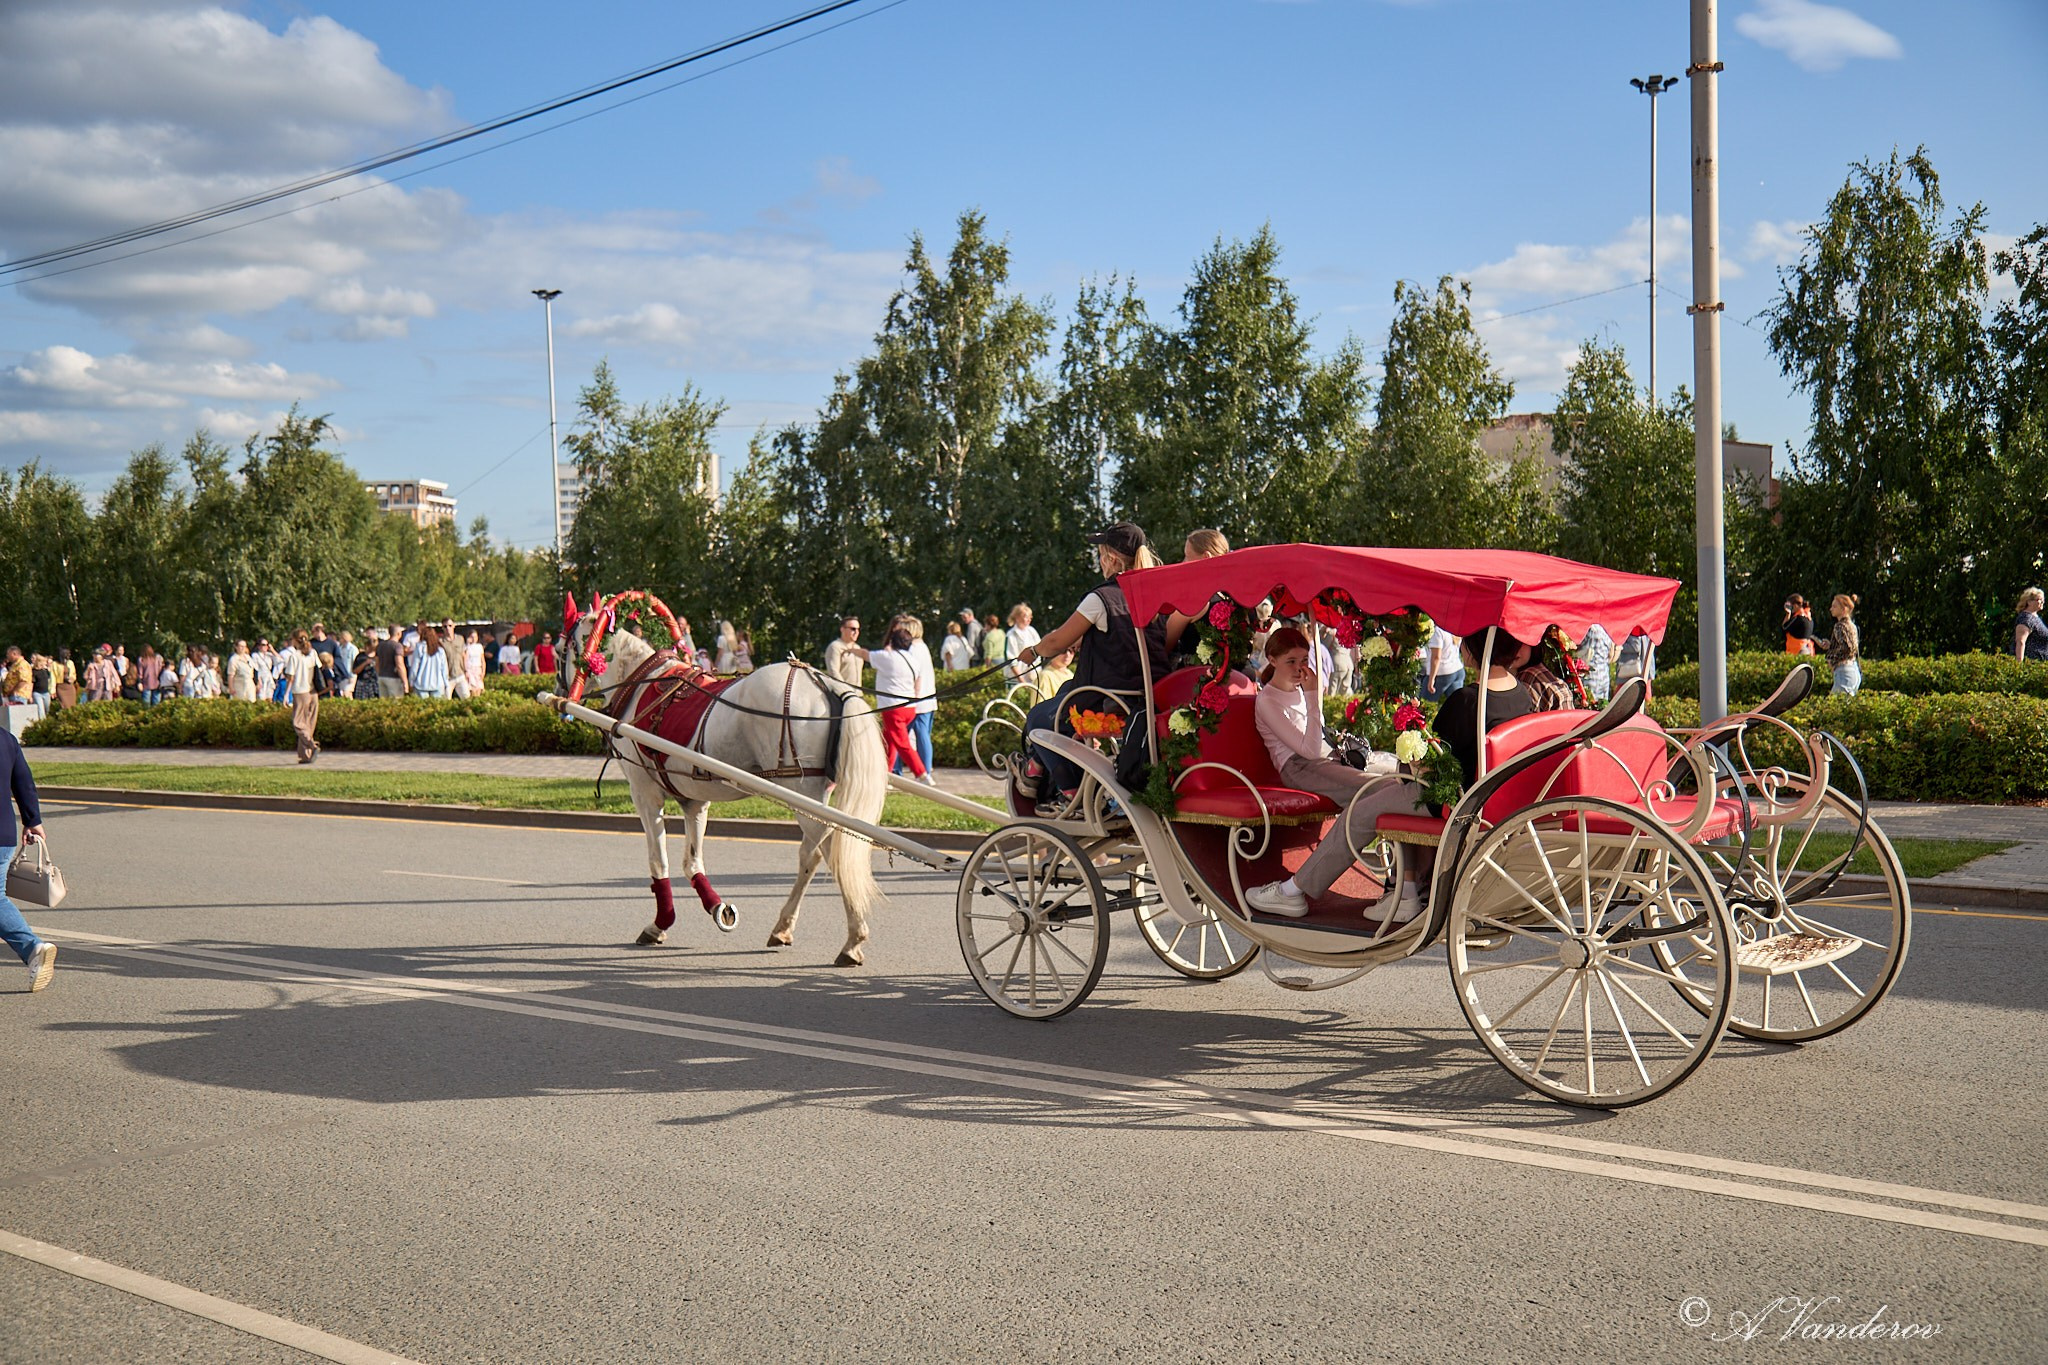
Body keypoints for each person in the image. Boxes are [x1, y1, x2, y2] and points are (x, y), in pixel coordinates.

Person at [1242, 627, 1420, 923]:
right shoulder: (1268, 701)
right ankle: (1401, 888)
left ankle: (1407, 886)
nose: (1300, 668)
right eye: (1291, 661)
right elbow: (1309, 751)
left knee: (1405, 779)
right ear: (1271, 659)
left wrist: (1311, 697)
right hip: (1300, 769)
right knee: (1385, 789)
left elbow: (1318, 742)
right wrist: (1314, 697)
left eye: (1303, 659)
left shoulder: (1300, 690)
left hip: (1327, 760)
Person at [1014, 522, 1169, 807]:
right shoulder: (1155, 597)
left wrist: (1033, 651)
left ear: (1111, 557)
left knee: (1038, 719)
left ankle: (1068, 791)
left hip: (1107, 700)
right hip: (1143, 700)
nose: (1099, 561)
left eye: (1100, 554)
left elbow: (1056, 642)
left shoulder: (1100, 599)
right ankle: (1038, 768)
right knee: (1064, 688)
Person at [0, 722, 55, 992]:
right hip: (4, 835)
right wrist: (32, 820)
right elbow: (24, 782)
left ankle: (33, 948)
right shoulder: (7, 740)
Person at [869, 623, 929, 781]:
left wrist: (849, 650)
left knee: (902, 743)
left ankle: (921, 773)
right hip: (910, 707)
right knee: (890, 740)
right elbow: (918, 680)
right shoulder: (912, 660)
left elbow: (865, 654)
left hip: (893, 707)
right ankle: (885, 773)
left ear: (892, 642)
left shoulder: (887, 657)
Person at [285, 629, 321, 763]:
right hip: (313, 691)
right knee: (309, 724)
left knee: (298, 722)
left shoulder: (294, 656)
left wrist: (285, 695)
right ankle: (306, 755)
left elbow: (291, 678)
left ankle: (312, 745)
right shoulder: (313, 654)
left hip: (300, 692)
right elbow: (320, 669)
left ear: (295, 640)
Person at [1419, 622, 1465, 702]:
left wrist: (1431, 679)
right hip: (1457, 669)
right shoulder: (1452, 628)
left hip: (1441, 673)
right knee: (1456, 706)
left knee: (1424, 704)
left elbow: (1436, 657)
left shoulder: (1437, 631)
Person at [1826, 594, 1861, 696]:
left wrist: (1832, 659)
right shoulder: (1852, 625)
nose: (1831, 609)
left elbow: (1847, 648)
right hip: (1853, 670)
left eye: (1834, 606)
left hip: (1844, 671)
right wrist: (1831, 645)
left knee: (1832, 708)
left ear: (1844, 609)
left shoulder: (1839, 626)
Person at [1575, 622, 1614, 705]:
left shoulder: (1591, 629)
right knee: (1603, 708)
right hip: (1604, 675)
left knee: (1589, 710)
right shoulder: (1607, 629)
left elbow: (1577, 650)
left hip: (1590, 676)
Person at [409, 624, 449, 698]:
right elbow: (444, 669)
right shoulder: (440, 650)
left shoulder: (419, 648)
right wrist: (446, 684)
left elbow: (415, 667)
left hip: (421, 684)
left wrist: (411, 682)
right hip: (438, 684)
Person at [1003, 604, 1040, 684]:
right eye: (1026, 616)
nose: (1029, 619)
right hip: (1016, 680)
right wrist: (1021, 681)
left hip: (1033, 677)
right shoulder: (1011, 635)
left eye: (1030, 617)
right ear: (1017, 617)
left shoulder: (1032, 631)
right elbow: (1011, 660)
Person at [824, 618, 864, 687]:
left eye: (858, 629)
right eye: (853, 629)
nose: (856, 632)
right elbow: (834, 673)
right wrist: (847, 691)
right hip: (840, 695)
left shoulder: (857, 648)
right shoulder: (835, 647)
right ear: (842, 629)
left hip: (857, 694)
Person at [2014, 589, 2048, 662]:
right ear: (2029, 602)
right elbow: (2020, 641)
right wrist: (2019, 665)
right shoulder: (2026, 618)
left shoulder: (2036, 618)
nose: (2042, 602)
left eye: (2043, 600)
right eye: (2039, 599)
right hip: (2031, 663)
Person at [375, 628, 407, 698]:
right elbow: (399, 665)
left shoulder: (380, 645)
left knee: (384, 704)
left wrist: (379, 674)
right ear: (399, 633)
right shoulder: (397, 646)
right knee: (396, 703)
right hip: (394, 678)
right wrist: (405, 681)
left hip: (382, 676)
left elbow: (377, 663)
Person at [461, 629, 486, 697]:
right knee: (472, 689)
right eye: (472, 637)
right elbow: (464, 658)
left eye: (475, 637)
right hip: (470, 669)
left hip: (478, 668)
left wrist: (483, 671)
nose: (474, 639)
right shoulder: (466, 647)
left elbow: (482, 660)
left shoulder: (479, 646)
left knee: (479, 688)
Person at [28, 654, 52, 718]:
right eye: (44, 662)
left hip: (46, 692)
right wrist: (30, 696)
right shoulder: (33, 672)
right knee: (41, 710)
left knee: (47, 709)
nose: (45, 663)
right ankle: (42, 724)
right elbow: (31, 683)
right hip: (37, 693)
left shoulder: (45, 671)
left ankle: (46, 722)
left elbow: (50, 681)